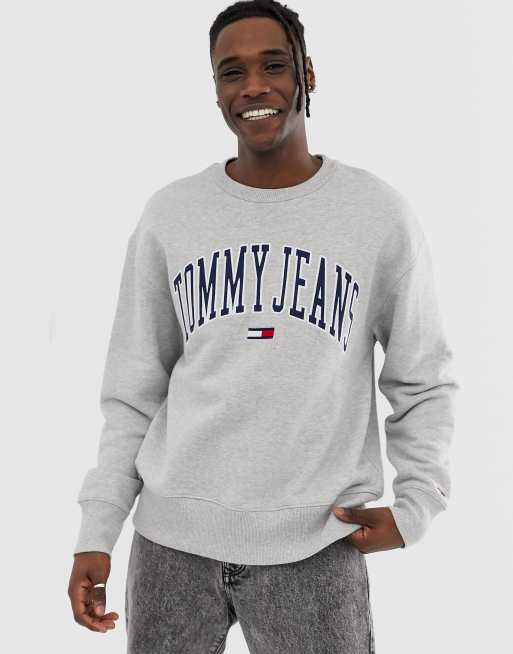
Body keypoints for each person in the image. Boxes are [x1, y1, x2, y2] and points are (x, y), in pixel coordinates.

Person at [67, 1, 459, 651]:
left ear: (307, 73)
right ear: (216, 88)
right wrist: (97, 530)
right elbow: (134, 392)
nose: (253, 85)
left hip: (315, 545)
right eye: (232, 71)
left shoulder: (375, 215)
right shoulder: (172, 216)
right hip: (170, 546)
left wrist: (417, 507)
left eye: (273, 65)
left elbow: (422, 378)